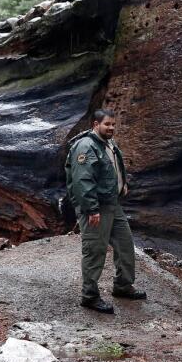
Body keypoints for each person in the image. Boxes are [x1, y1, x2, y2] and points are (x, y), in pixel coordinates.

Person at [65, 108, 146, 313]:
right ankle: (89, 296)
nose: (111, 128)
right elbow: (82, 181)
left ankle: (123, 285)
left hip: (112, 204)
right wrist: (92, 209)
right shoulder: (85, 147)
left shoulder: (109, 143)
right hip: (95, 207)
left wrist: (122, 184)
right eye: (107, 124)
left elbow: (114, 167)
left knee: (125, 244)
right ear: (95, 125)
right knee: (95, 251)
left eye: (113, 124)